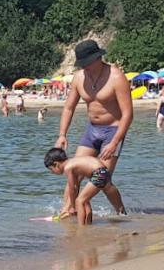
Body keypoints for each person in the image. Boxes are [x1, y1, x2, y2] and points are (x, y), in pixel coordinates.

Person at [55, 40, 134, 178]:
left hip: (113, 130)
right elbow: (68, 108)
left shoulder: (116, 77)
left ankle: (83, 201)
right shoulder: (79, 78)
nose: (84, 67)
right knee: (73, 174)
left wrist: (114, 142)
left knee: (101, 178)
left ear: (98, 58)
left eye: (87, 63)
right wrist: (62, 134)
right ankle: (71, 201)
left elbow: (128, 114)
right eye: (82, 64)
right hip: (92, 130)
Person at [43, 147, 126, 226]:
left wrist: (72, 207)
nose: (52, 172)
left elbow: (73, 188)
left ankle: (81, 228)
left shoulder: (68, 167)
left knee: (79, 201)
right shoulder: (73, 162)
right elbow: (76, 186)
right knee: (85, 201)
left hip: (99, 173)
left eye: (51, 169)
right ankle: (88, 224)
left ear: (56, 164)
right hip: (103, 171)